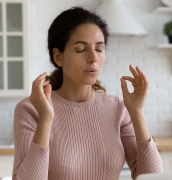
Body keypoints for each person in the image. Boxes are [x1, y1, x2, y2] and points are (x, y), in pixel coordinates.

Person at [12, 6, 163, 180]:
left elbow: (153, 177)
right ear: (58, 56)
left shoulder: (117, 109)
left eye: (99, 49)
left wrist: (136, 113)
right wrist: (46, 119)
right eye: (81, 50)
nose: (93, 58)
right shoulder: (31, 109)